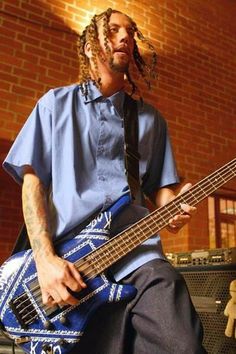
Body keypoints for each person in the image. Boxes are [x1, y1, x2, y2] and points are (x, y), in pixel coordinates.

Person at [3, 8, 206, 354]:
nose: (125, 37)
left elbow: (162, 192)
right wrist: (45, 260)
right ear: (87, 47)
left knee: (182, 345)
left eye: (129, 32)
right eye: (112, 30)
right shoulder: (55, 104)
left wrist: (175, 207)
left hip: (139, 258)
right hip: (72, 267)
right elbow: (32, 184)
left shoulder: (151, 121)